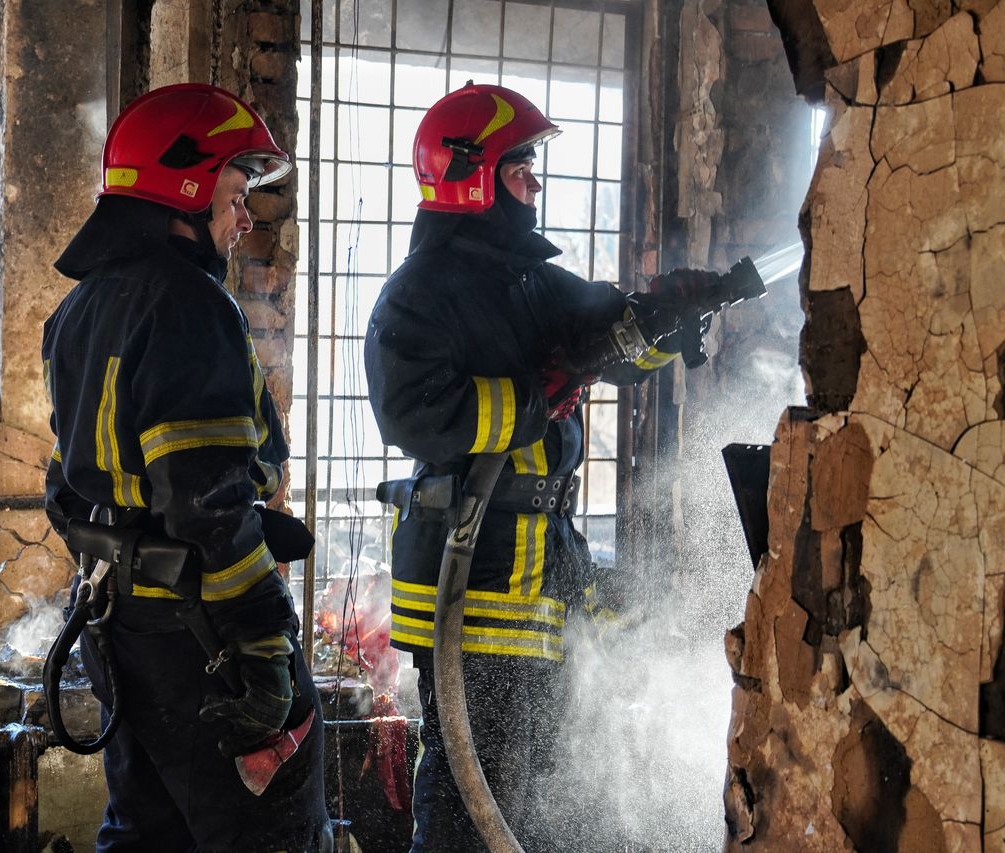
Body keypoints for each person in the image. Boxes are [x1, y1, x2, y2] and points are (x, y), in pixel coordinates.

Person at [364, 83, 712, 851]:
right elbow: (414, 412)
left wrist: (665, 312)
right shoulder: (418, 297)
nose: (536, 183)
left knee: (534, 805)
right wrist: (534, 397)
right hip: (474, 591)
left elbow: (605, 340)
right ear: (472, 172)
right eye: (521, 167)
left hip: (537, 581)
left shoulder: (528, 280)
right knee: (468, 802)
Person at [42, 83, 331, 853]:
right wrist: (266, 641)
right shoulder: (189, 305)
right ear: (187, 188)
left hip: (122, 630)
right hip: (205, 640)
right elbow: (208, 505)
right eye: (237, 194)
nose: (244, 218)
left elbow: (63, 485)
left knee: (146, 835)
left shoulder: (77, 310)